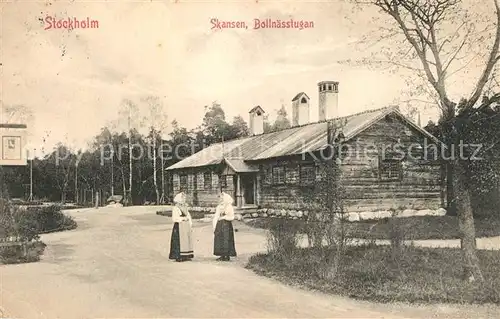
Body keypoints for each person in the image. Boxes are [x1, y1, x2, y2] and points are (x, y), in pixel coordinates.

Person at [169, 192, 194, 262]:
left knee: (186, 240)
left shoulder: (185, 207)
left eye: (184, 198)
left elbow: (188, 216)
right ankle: (178, 256)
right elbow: (174, 218)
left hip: (186, 226)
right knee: (179, 240)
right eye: (182, 198)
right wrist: (182, 219)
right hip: (179, 226)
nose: (184, 199)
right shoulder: (176, 208)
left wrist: (190, 223)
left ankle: (186, 255)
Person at [213, 192, 237, 261]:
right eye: (220, 198)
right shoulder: (219, 206)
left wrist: (224, 217)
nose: (220, 199)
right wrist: (215, 224)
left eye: (221, 198)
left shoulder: (229, 206)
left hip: (226, 225)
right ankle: (222, 255)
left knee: (226, 239)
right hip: (220, 225)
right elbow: (216, 216)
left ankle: (227, 255)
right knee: (220, 239)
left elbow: (231, 217)